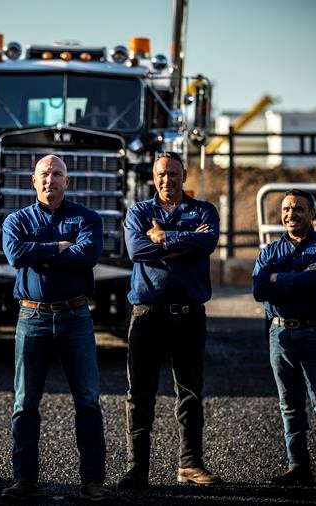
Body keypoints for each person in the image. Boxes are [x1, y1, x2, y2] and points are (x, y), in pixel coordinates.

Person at [0, 155, 113, 502]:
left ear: (68, 181)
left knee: (88, 401)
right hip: (31, 318)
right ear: (33, 181)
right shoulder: (16, 220)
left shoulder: (87, 218)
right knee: (24, 403)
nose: (50, 179)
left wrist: (40, 254)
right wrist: (58, 248)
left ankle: (93, 481)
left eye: (57, 174)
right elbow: (15, 255)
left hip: (75, 316)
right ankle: (24, 479)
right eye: (44, 174)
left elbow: (88, 255)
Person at [117, 152, 222, 490]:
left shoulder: (204, 211)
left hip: (189, 315)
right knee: (140, 394)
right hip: (147, 315)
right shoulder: (138, 212)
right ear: (153, 177)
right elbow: (136, 251)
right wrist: (184, 243)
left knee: (190, 392)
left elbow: (207, 242)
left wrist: (165, 237)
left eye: (173, 174)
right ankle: (137, 469)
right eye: (161, 174)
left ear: (184, 175)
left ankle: (190, 465)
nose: (167, 180)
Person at [252, 188, 316, 491]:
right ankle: (297, 466)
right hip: (279, 333)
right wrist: (297, 276)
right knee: (289, 405)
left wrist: (279, 278)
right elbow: (259, 289)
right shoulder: (270, 251)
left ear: (312, 214)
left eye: (298, 208)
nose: (291, 214)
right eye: (286, 209)